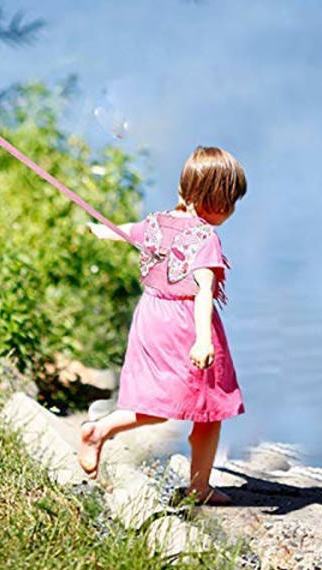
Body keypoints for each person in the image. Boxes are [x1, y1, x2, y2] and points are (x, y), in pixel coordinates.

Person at [78, 146, 247, 506]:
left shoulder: (157, 223)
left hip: (151, 316)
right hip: (185, 325)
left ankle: (100, 431)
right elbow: (203, 292)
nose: (231, 212)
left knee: (159, 399)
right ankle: (197, 487)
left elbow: (126, 231)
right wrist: (204, 340)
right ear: (212, 200)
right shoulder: (205, 239)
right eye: (229, 203)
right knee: (210, 408)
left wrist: (99, 230)